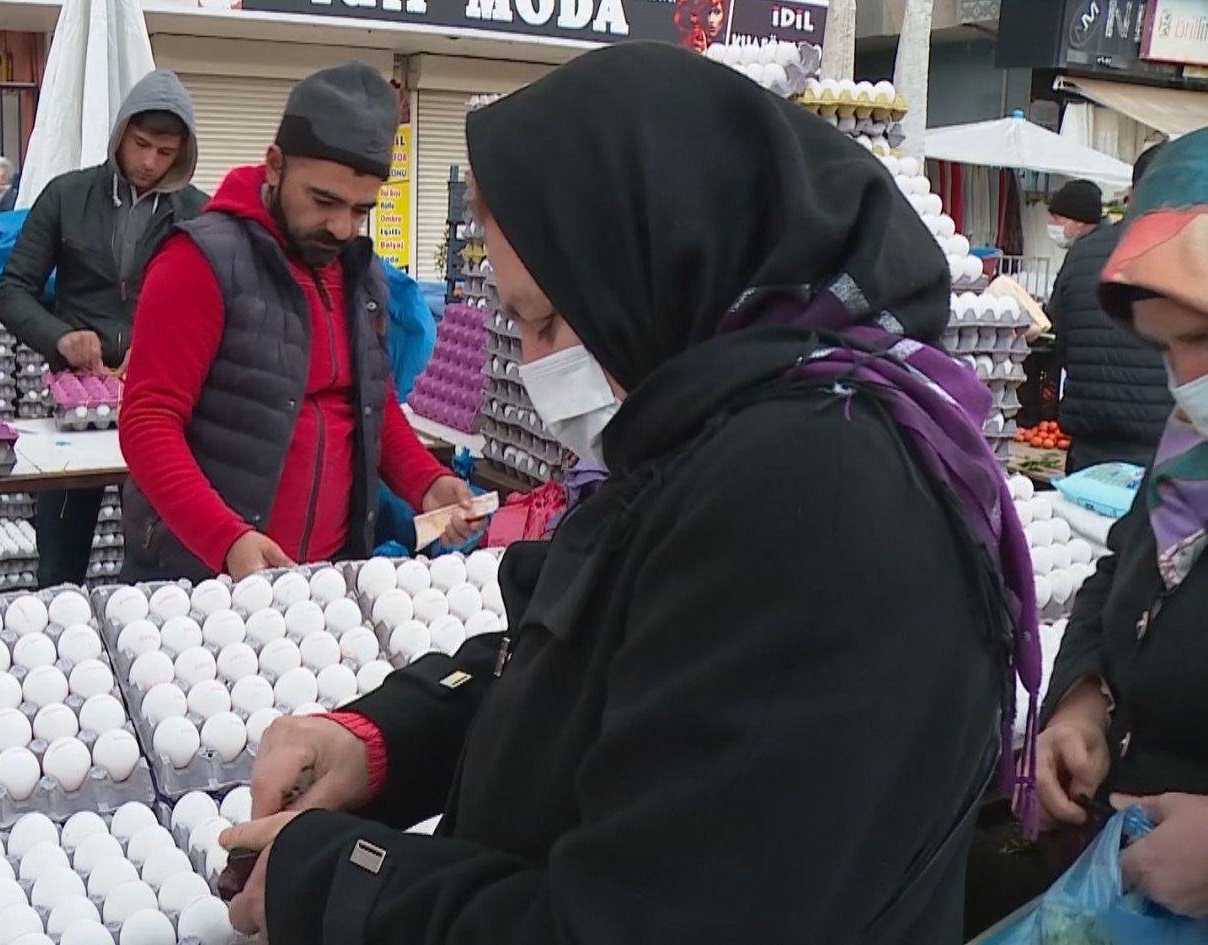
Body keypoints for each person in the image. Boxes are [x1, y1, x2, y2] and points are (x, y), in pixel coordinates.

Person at [212, 43, 1039, 943]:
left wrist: (334, 877)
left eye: (547, 320)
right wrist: (383, 742)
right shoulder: (705, 430)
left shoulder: (808, 496)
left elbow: (633, 920)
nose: (535, 365)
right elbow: (589, 666)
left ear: (658, 266)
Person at [119, 62, 477, 582]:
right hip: (200, 579)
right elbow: (147, 423)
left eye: (360, 210)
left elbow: (372, 406)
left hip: (326, 578)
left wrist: (426, 481)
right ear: (274, 166)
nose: (341, 227)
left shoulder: (359, 273)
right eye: (323, 201)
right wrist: (226, 538)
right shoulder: (198, 263)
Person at [1034, 128, 1208, 919]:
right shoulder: (1186, 455)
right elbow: (1119, 576)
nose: (1186, 379)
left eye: (1202, 335)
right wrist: (1085, 699)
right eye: (1165, 347)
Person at [0, 69, 207, 588]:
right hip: (74, 409)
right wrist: (59, 337)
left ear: (183, 153)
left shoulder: (199, 214)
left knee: (157, 565)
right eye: (141, 145)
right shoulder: (66, 196)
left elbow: (215, 307)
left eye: (165, 152)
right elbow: (11, 291)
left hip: (160, 406)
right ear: (120, 133)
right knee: (60, 563)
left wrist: (163, 346)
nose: (150, 162)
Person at [1047, 154, 1173, 473]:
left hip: (1089, 443)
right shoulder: (1189, 255)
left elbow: (1062, 339)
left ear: (1132, 193)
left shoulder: (1082, 252)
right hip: (1163, 447)